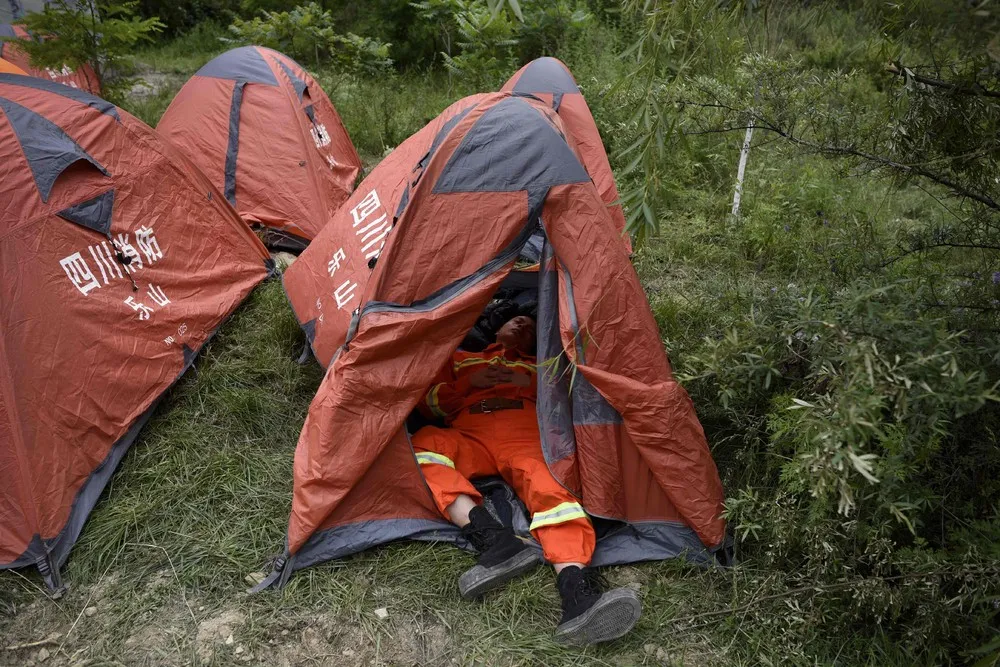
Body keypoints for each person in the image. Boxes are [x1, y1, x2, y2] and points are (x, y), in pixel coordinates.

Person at [412, 314, 642, 645]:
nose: (523, 325)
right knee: (421, 449)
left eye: (531, 324)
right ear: (495, 327)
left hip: (523, 434)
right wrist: (468, 384)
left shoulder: (544, 363)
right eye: (515, 319)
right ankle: (491, 538)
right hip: (468, 430)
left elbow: (572, 400)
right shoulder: (460, 357)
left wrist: (530, 384)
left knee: (552, 491)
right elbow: (427, 403)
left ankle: (577, 594)